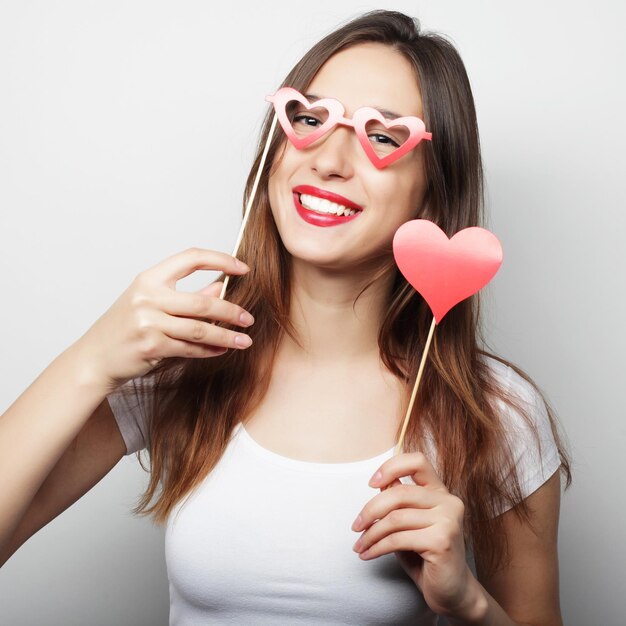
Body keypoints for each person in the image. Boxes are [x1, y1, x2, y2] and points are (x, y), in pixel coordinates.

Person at [0, 10, 570, 625]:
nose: (329, 160)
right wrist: (89, 360)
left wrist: (469, 603)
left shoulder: (497, 412)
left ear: (434, 187)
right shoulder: (186, 355)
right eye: (308, 118)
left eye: (382, 136)